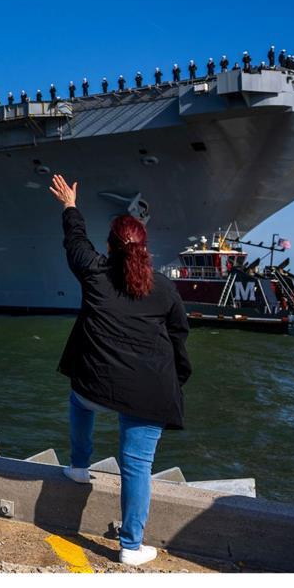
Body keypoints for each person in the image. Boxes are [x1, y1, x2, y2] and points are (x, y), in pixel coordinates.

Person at [48, 174, 192, 567]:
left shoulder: (95, 274)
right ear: (144, 249)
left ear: (110, 247)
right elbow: (180, 332)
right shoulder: (163, 288)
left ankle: (79, 466)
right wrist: (180, 375)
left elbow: (75, 243)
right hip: (149, 391)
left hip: (97, 382)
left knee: (80, 402)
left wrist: (70, 206)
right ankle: (131, 546)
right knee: (137, 465)